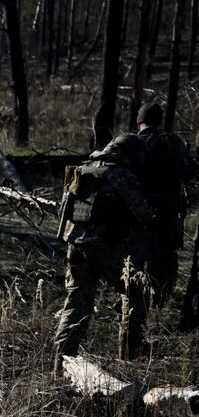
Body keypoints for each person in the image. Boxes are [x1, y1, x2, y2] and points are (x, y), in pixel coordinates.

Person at [53, 135, 156, 368]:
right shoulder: (122, 174)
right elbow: (144, 214)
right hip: (107, 247)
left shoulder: (82, 169)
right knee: (135, 299)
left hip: (77, 245)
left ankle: (61, 364)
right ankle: (131, 362)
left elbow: (65, 209)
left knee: (76, 304)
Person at [134, 102, 195, 307]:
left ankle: (133, 300)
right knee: (165, 257)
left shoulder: (129, 142)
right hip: (167, 211)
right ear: (159, 121)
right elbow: (187, 174)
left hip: (135, 210)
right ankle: (159, 302)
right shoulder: (172, 142)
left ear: (139, 120)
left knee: (135, 259)